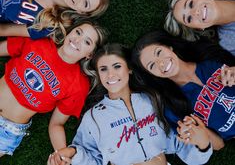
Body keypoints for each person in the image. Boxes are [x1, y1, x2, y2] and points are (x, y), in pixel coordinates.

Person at [47, 43, 213, 165]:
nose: (110, 74)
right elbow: (93, 159)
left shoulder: (153, 99)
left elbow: (188, 152)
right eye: (103, 69)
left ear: (130, 69)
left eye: (117, 66)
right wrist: (72, 153)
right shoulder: (94, 117)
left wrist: (203, 144)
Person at [0, 21, 106, 157]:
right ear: (70, 32)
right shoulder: (38, 42)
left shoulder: (79, 85)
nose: (77, 40)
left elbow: (57, 124)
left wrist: (61, 155)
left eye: (87, 42)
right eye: (78, 32)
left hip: (7, 130)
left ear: (90, 55)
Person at [133, 29, 235, 142]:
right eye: (152, 65)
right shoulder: (173, 106)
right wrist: (197, 131)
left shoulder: (209, 55)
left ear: (169, 47)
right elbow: (219, 144)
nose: (161, 63)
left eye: (159, 52)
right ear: (152, 74)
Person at [164, 0, 235, 56]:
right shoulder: (227, 45)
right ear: (199, 28)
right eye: (189, 19)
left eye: (191, 4)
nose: (195, 12)